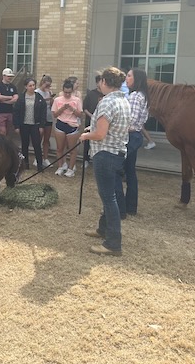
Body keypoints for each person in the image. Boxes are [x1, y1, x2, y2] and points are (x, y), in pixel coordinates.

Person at [79, 66, 130, 256]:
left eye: (100, 80)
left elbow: (100, 134)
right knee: (109, 195)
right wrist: (90, 131)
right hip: (117, 152)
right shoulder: (123, 100)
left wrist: (86, 137)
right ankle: (103, 229)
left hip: (105, 154)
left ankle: (113, 244)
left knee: (109, 198)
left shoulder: (107, 103)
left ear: (104, 82)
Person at [116, 68, 150, 217]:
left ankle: (121, 207)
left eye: (129, 76)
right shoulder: (141, 95)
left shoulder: (136, 96)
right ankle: (130, 207)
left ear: (137, 79)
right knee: (130, 172)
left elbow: (132, 120)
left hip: (131, 137)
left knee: (118, 170)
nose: (126, 79)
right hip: (134, 136)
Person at [52, 79, 84, 177]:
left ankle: (71, 169)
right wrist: (62, 108)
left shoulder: (77, 100)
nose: (67, 95)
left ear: (72, 91)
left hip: (72, 125)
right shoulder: (57, 100)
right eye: (65, 92)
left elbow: (80, 114)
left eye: (69, 93)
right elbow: (55, 114)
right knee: (60, 148)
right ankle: (60, 166)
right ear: (63, 91)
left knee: (72, 149)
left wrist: (72, 109)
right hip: (60, 124)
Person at [13, 77, 47, 170]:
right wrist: (16, 126)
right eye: (30, 85)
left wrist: (41, 125)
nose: (32, 87)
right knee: (25, 144)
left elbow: (43, 112)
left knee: (37, 144)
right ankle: (25, 163)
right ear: (26, 87)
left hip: (35, 125)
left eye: (33, 85)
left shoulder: (39, 97)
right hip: (24, 124)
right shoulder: (21, 98)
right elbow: (16, 112)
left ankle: (40, 164)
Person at [82, 74, 104, 166]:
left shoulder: (106, 94)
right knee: (87, 140)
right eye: (100, 81)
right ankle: (85, 159)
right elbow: (85, 108)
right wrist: (92, 116)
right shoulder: (91, 94)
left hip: (102, 122)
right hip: (90, 121)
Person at [36, 75, 54, 167]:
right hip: (39, 117)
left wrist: (51, 97)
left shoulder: (49, 92)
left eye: (49, 86)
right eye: (47, 85)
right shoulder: (37, 92)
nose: (48, 87)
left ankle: (45, 158)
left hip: (48, 116)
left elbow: (52, 105)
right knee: (38, 138)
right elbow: (37, 103)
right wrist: (45, 99)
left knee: (46, 139)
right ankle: (37, 157)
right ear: (42, 83)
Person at [0, 67, 18, 136]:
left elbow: (15, 98)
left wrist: (4, 101)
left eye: (11, 76)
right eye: (8, 76)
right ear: (3, 76)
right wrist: (9, 97)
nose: (10, 78)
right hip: (0, 112)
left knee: (10, 132)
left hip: (10, 112)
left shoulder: (13, 86)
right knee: (2, 131)